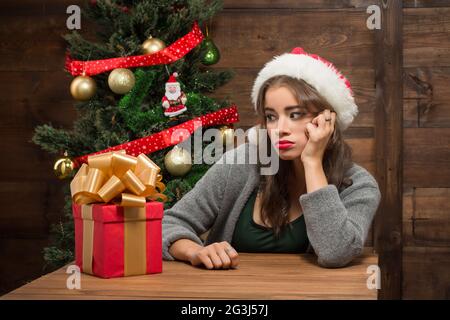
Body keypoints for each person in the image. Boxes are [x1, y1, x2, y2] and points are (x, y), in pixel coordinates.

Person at [162, 47, 381, 269]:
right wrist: (195, 251)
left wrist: (312, 163)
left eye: (295, 114)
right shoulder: (242, 163)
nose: (280, 129)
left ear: (327, 120)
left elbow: (336, 252)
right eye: (271, 117)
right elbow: (167, 224)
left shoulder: (359, 185)